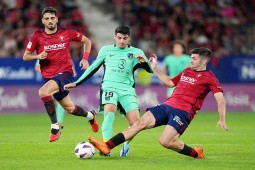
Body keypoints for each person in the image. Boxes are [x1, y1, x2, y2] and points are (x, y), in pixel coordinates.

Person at [87, 47, 229, 158]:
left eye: (194, 59)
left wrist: (222, 119)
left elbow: (220, 99)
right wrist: (155, 69)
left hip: (183, 112)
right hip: (166, 106)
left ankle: (196, 153)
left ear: (204, 61)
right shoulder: (187, 71)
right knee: (138, 124)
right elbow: (170, 82)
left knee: (165, 142)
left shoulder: (209, 78)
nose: (191, 61)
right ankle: (107, 146)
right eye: (191, 58)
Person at [64, 25, 153, 156]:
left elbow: (150, 70)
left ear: (129, 38)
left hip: (127, 90)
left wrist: (143, 62)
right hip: (109, 87)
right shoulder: (106, 50)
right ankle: (106, 147)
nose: (122, 41)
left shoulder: (136, 52)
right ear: (114, 36)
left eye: (125, 38)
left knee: (136, 124)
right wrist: (77, 83)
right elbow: (93, 67)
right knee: (109, 112)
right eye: (119, 38)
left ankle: (125, 144)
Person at [23, 7, 99, 142]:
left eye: (52, 18)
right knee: (70, 109)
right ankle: (91, 116)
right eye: (46, 18)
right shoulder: (37, 36)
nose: (50, 21)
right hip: (49, 76)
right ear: (42, 20)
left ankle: (55, 127)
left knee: (43, 92)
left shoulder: (67, 33)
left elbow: (87, 41)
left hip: (65, 73)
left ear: (57, 19)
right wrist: (38, 56)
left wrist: (85, 58)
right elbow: (26, 56)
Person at [34, 59, 77, 128]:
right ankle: (56, 121)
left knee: (59, 100)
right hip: (50, 82)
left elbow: (73, 72)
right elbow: (37, 67)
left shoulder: (66, 57)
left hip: (61, 81)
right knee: (56, 101)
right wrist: (47, 73)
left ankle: (58, 122)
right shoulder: (43, 55)